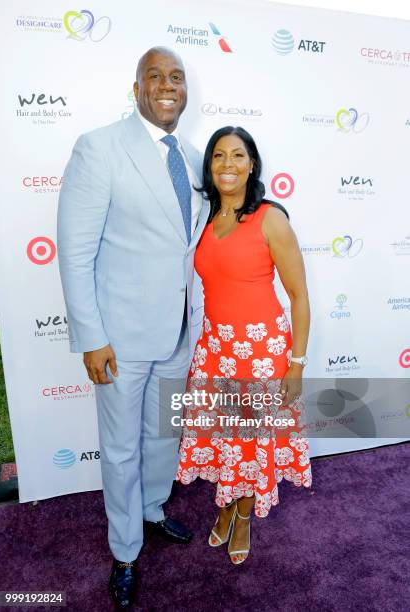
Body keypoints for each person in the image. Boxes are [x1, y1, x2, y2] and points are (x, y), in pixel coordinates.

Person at [57, 47, 209, 608]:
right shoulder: (100, 148)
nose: (167, 86)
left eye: (176, 77)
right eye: (155, 76)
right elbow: (75, 253)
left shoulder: (194, 157)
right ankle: (125, 551)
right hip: (118, 340)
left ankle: (150, 510)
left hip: (177, 335)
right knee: (120, 448)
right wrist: (90, 336)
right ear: (137, 86)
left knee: (163, 436)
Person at [177, 126, 312, 565]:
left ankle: (243, 516)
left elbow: (298, 296)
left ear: (252, 163)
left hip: (261, 353)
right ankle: (225, 506)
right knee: (224, 439)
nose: (228, 165)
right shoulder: (205, 218)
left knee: (252, 442)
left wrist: (297, 365)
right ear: (210, 166)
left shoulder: (270, 217)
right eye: (219, 156)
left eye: (238, 156)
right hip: (215, 348)